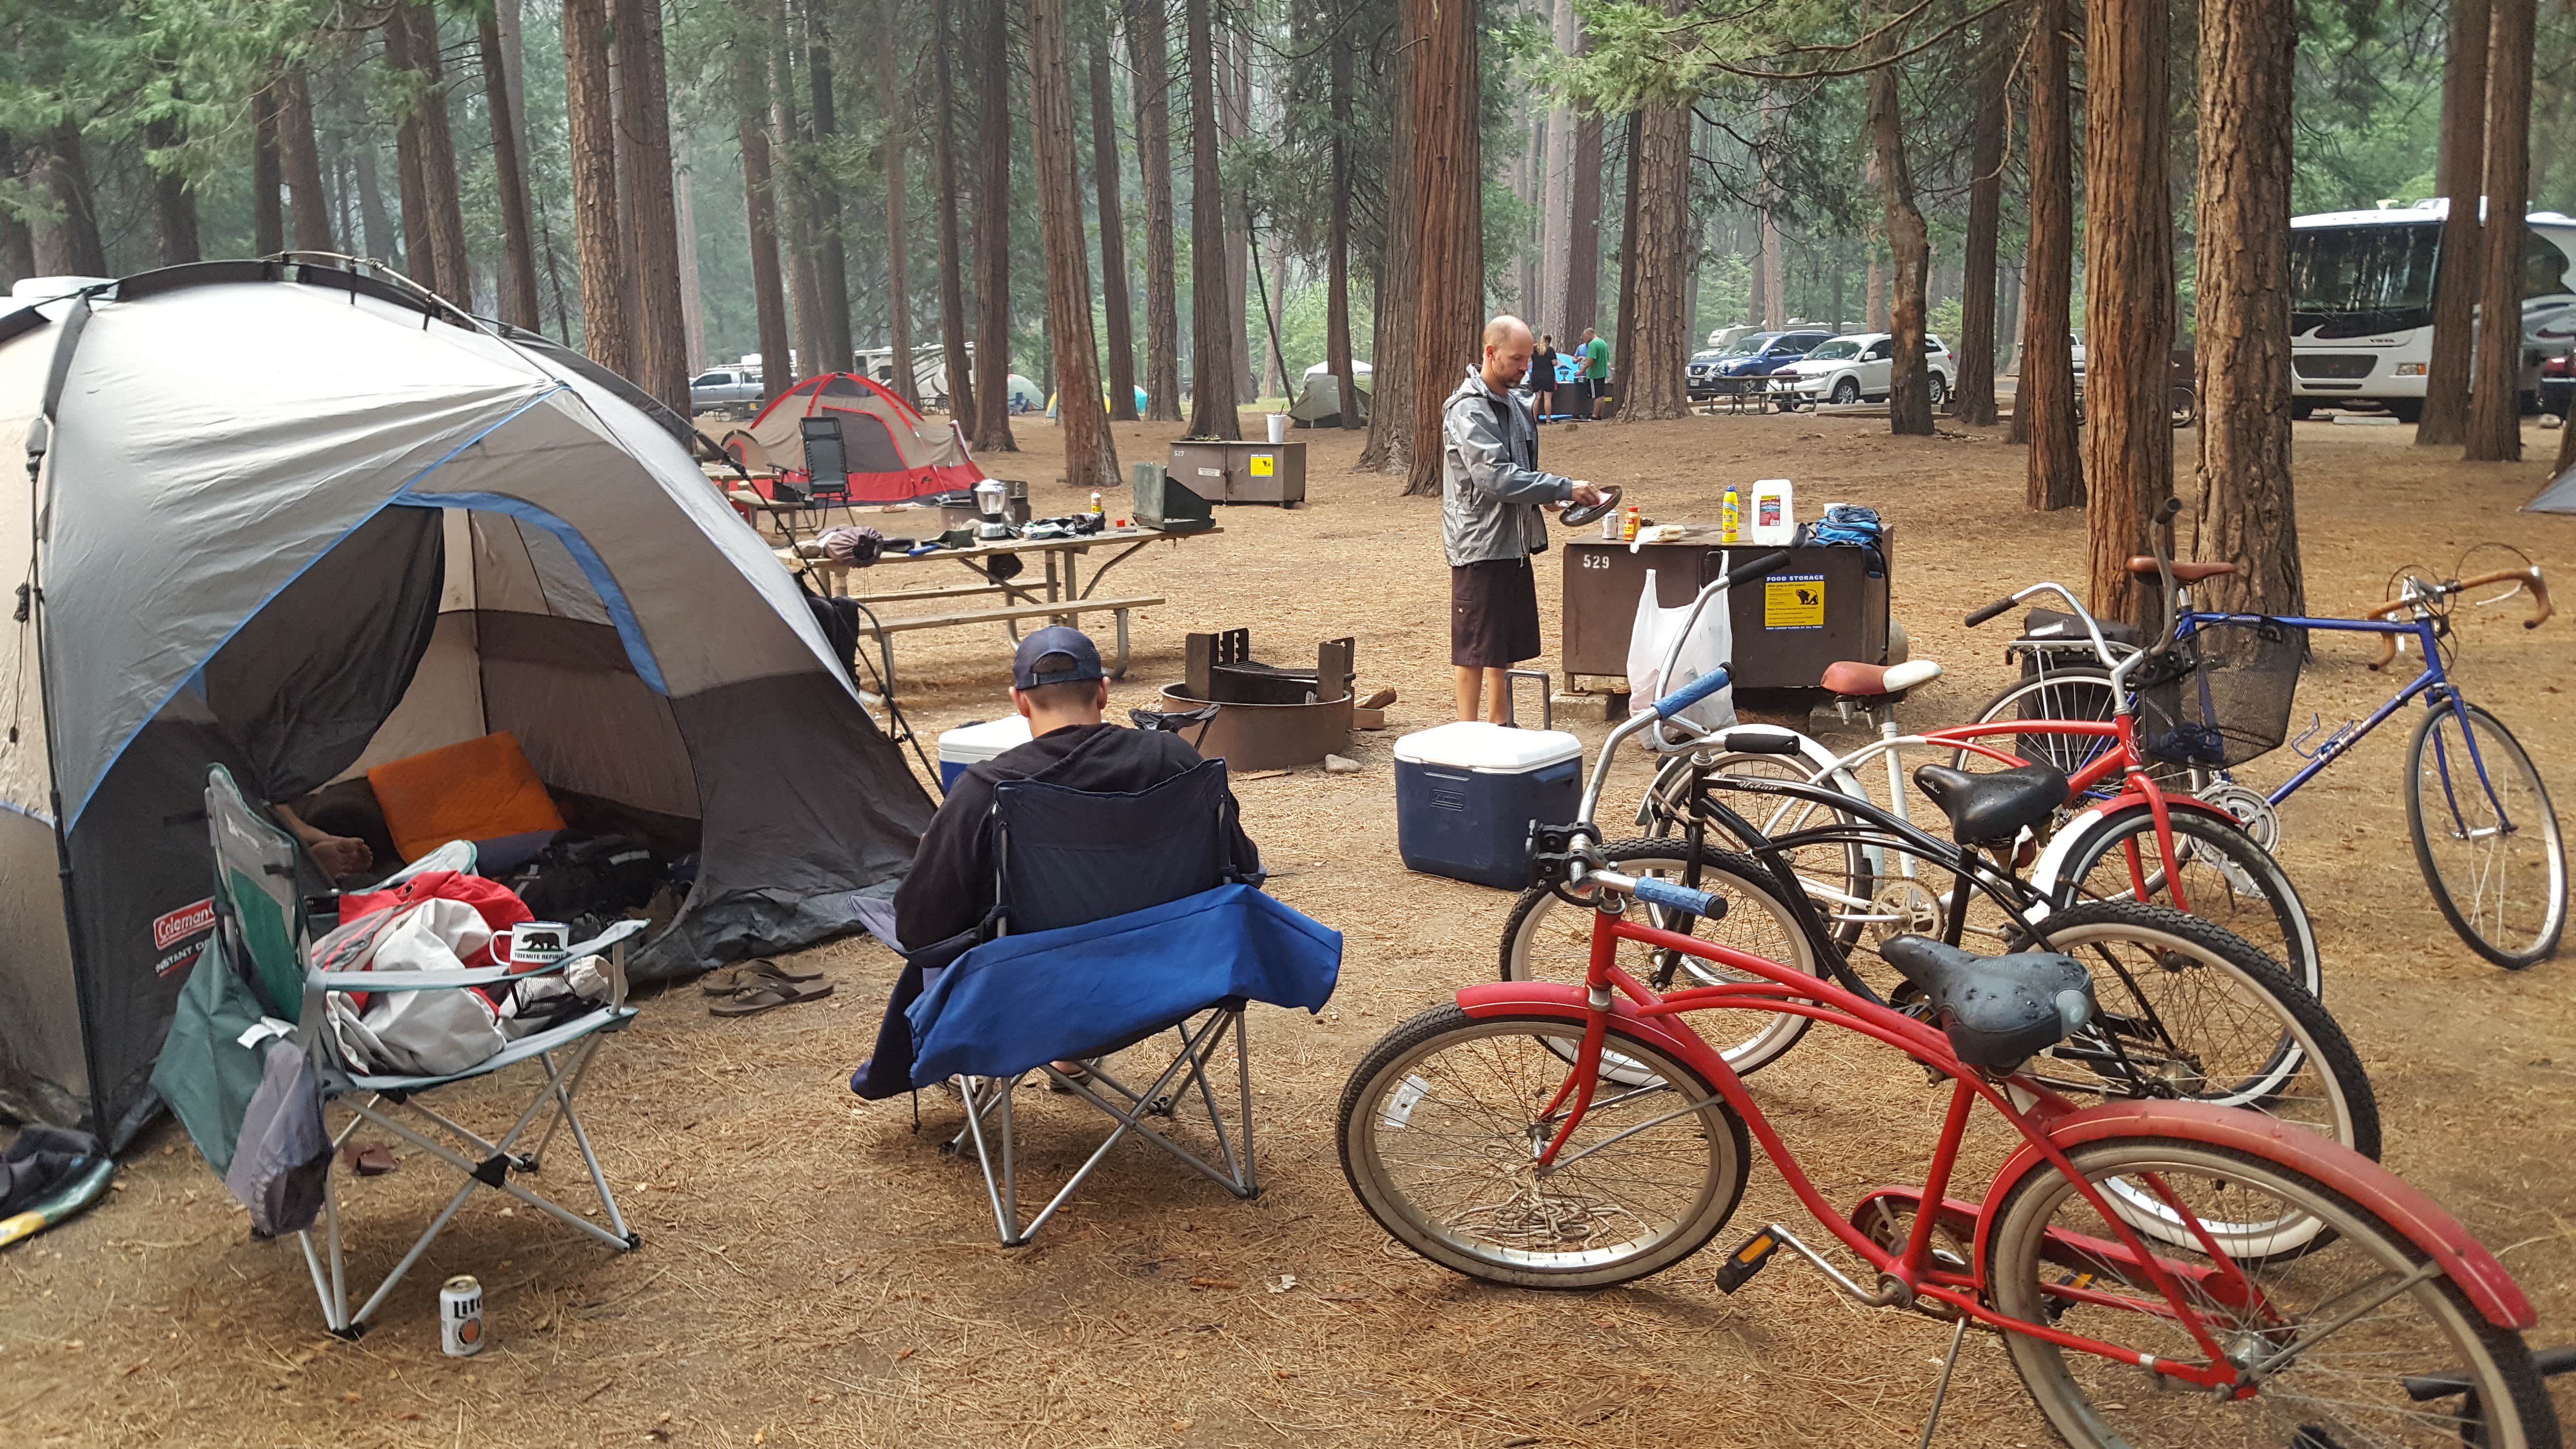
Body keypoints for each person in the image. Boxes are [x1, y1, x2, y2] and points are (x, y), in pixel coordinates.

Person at [893, 627, 1262, 952]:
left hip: (1043, 987)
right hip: (1179, 964)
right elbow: (1243, 868)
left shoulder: (985, 789)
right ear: (1103, 692)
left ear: (1019, 701)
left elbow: (921, 929)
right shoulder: (1176, 758)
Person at [1442, 316, 1605, 724]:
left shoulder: (1518, 404)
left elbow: (1522, 470)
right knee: (1475, 646)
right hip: (1479, 544)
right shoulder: (1468, 409)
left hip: (1514, 542)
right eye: (1516, 359)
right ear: (1490, 353)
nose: (1524, 368)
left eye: (1528, 359)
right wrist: (1563, 487)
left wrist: (1549, 501)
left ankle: (1502, 724)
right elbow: (1494, 478)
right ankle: (1468, 734)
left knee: (1505, 644)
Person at [1579, 326, 1612, 418]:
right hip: (1603, 372)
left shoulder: (1593, 344)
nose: (1585, 340)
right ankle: (1600, 415)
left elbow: (1591, 359)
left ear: (1590, 335)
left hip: (1594, 373)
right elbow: (1607, 358)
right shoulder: (1603, 343)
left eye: (1586, 338)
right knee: (1601, 395)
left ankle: (1594, 415)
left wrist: (1582, 370)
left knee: (1596, 395)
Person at [1531, 334, 1560, 422]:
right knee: (1547, 399)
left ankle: (1535, 420)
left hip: (1536, 376)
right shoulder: (1550, 350)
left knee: (1537, 398)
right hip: (1548, 376)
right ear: (1548, 342)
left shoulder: (1534, 350)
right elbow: (1555, 363)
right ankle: (1548, 420)